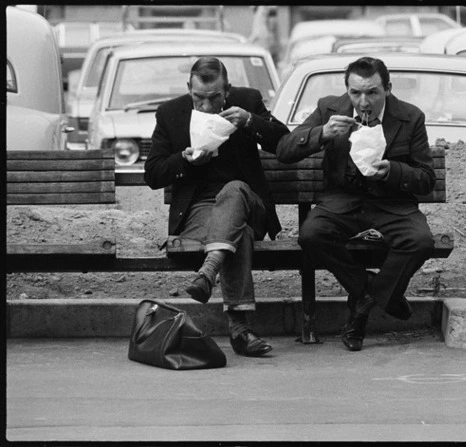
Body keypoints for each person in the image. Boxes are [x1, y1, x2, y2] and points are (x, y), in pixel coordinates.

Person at [276, 56, 435, 352]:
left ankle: (363, 307)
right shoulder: (330, 108)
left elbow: (426, 178)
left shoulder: (410, 116)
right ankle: (370, 292)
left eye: (372, 92)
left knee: (420, 240)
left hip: (391, 204)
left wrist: (394, 171)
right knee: (311, 235)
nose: (363, 102)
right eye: (355, 93)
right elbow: (285, 150)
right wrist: (321, 133)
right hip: (342, 202)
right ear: (346, 90)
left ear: (387, 88)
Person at [144, 57, 289, 357]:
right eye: (199, 98)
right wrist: (185, 160)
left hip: (248, 202)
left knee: (233, 191)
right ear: (189, 89)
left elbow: (284, 143)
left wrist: (250, 121)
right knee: (239, 234)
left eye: (214, 98)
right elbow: (153, 173)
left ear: (228, 90)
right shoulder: (172, 113)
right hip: (201, 213)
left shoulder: (247, 102)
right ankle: (239, 330)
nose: (207, 106)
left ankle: (208, 271)